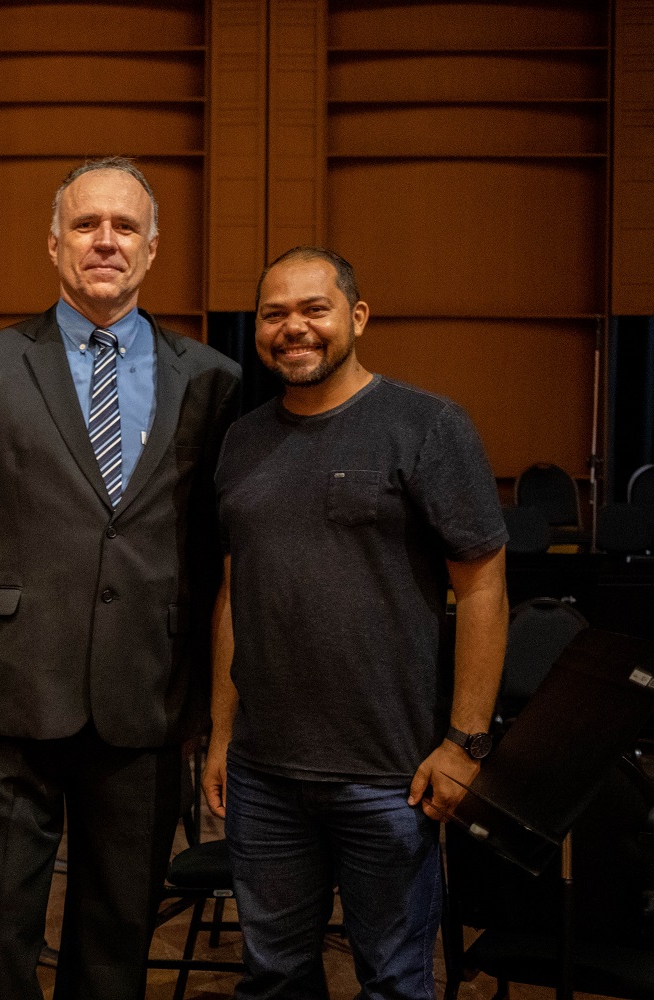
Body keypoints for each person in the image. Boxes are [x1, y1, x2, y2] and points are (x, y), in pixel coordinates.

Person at [0, 157, 241, 1000]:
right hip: (8, 688)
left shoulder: (212, 381)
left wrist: (210, 702)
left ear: (153, 248)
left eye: (124, 227)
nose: (106, 241)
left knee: (120, 922)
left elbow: (213, 555)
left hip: (149, 690)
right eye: (88, 225)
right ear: (54, 243)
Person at [205, 246, 509, 1000]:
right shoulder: (242, 441)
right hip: (265, 774)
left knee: (397, 984)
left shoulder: (427, 426)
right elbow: (234, 592)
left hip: (390, 774)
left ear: (357, 317)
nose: (293, 328)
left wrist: (466, 743)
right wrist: (220, 736)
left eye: (315, 309)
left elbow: (483, 589)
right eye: (275, 314)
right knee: (273, 977)